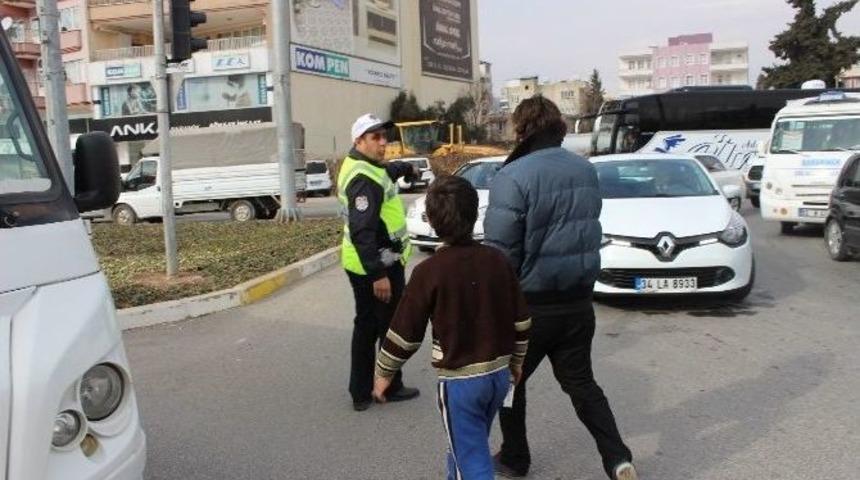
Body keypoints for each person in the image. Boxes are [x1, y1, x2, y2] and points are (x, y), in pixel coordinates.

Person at [484, 96, 638, 480]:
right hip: (578, 303)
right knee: (582, 384)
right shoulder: (585, 170)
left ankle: (515, 457)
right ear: (558, 127)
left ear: (521, 129)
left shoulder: (512, 176)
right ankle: (617, 458)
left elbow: (502, 252)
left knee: (509, 384)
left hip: (529, 307)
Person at [372, 175, 532, 480]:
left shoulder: (428, 272)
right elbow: (522, 321)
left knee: (471, 461)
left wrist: (383, 374)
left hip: (461, 384)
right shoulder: (497, 261)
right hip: (498, 376)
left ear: (431, 221)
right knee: (466, 447)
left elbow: (405, 333)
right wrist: (517, 362)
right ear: (475, 214)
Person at [338, 113, 421, 411]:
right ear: (358, 141)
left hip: (373, 262)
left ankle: (365, 389)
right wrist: (377, 275)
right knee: (382, 328)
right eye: (375, 138)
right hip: (375, 266)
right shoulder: (363, 180)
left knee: (373, 325)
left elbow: (388, 170)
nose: (383, 143)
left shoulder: (370, 166)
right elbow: (363, 231)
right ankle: (379, 388)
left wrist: (407, 167)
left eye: (384, 136)